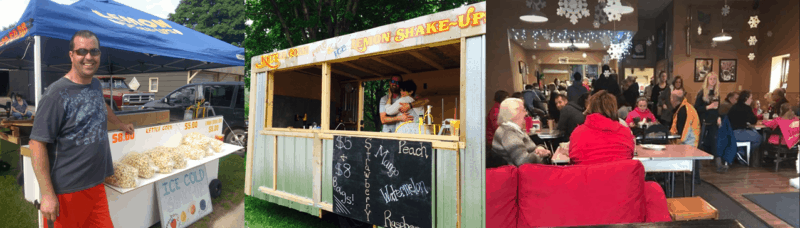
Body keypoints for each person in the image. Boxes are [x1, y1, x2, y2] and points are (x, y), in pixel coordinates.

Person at [29, 30, 135, 227]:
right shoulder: (55, 94)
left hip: (96, 186)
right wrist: (47, 194)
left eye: (94, 51)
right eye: (81, 51)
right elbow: (36, 144)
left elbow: (102, 106)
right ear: (71, 55)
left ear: (99, 55)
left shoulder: (95, 85)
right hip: (67, 193)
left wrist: (120, 125)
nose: (88, 57)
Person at [568, 91, 635, 165]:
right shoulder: (626, 133)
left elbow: (573, 160)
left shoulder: (577, 134)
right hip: (619, 175)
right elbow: (630, 156)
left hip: (588, 175)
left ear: (590, 107)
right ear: (614, 108)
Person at [491, 98, 552, 166]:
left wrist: (540, 148)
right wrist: (540, 155)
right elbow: (523, 162)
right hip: (521, 174)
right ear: (515, 113)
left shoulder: (512, 129)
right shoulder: (508, 133)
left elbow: (529, 150)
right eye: (523, 110)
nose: (526, 113)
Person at [728, 90, 762, 165]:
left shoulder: (734, 106)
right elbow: (753, 120)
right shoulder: (746, 108)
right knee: (759, 138)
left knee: (751, 133)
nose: (752, 100)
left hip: (730, 132)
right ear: (746, 98)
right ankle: (744, 153)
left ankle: (740, 152)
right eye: (751, 98)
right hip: (738, 133)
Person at [694, 72, 720, 170]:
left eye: (714, 79)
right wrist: (708, 107)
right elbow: (696, 108)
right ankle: (697, 163)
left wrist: (719, 117)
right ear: (707, 80)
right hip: (704, 120)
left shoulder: (717, 93)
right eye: (711, 79)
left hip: (713, 121)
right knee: (700, 142)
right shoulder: (701, 93)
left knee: (714, 141)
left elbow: (717, 108)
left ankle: (718, 164)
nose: (713, 81)